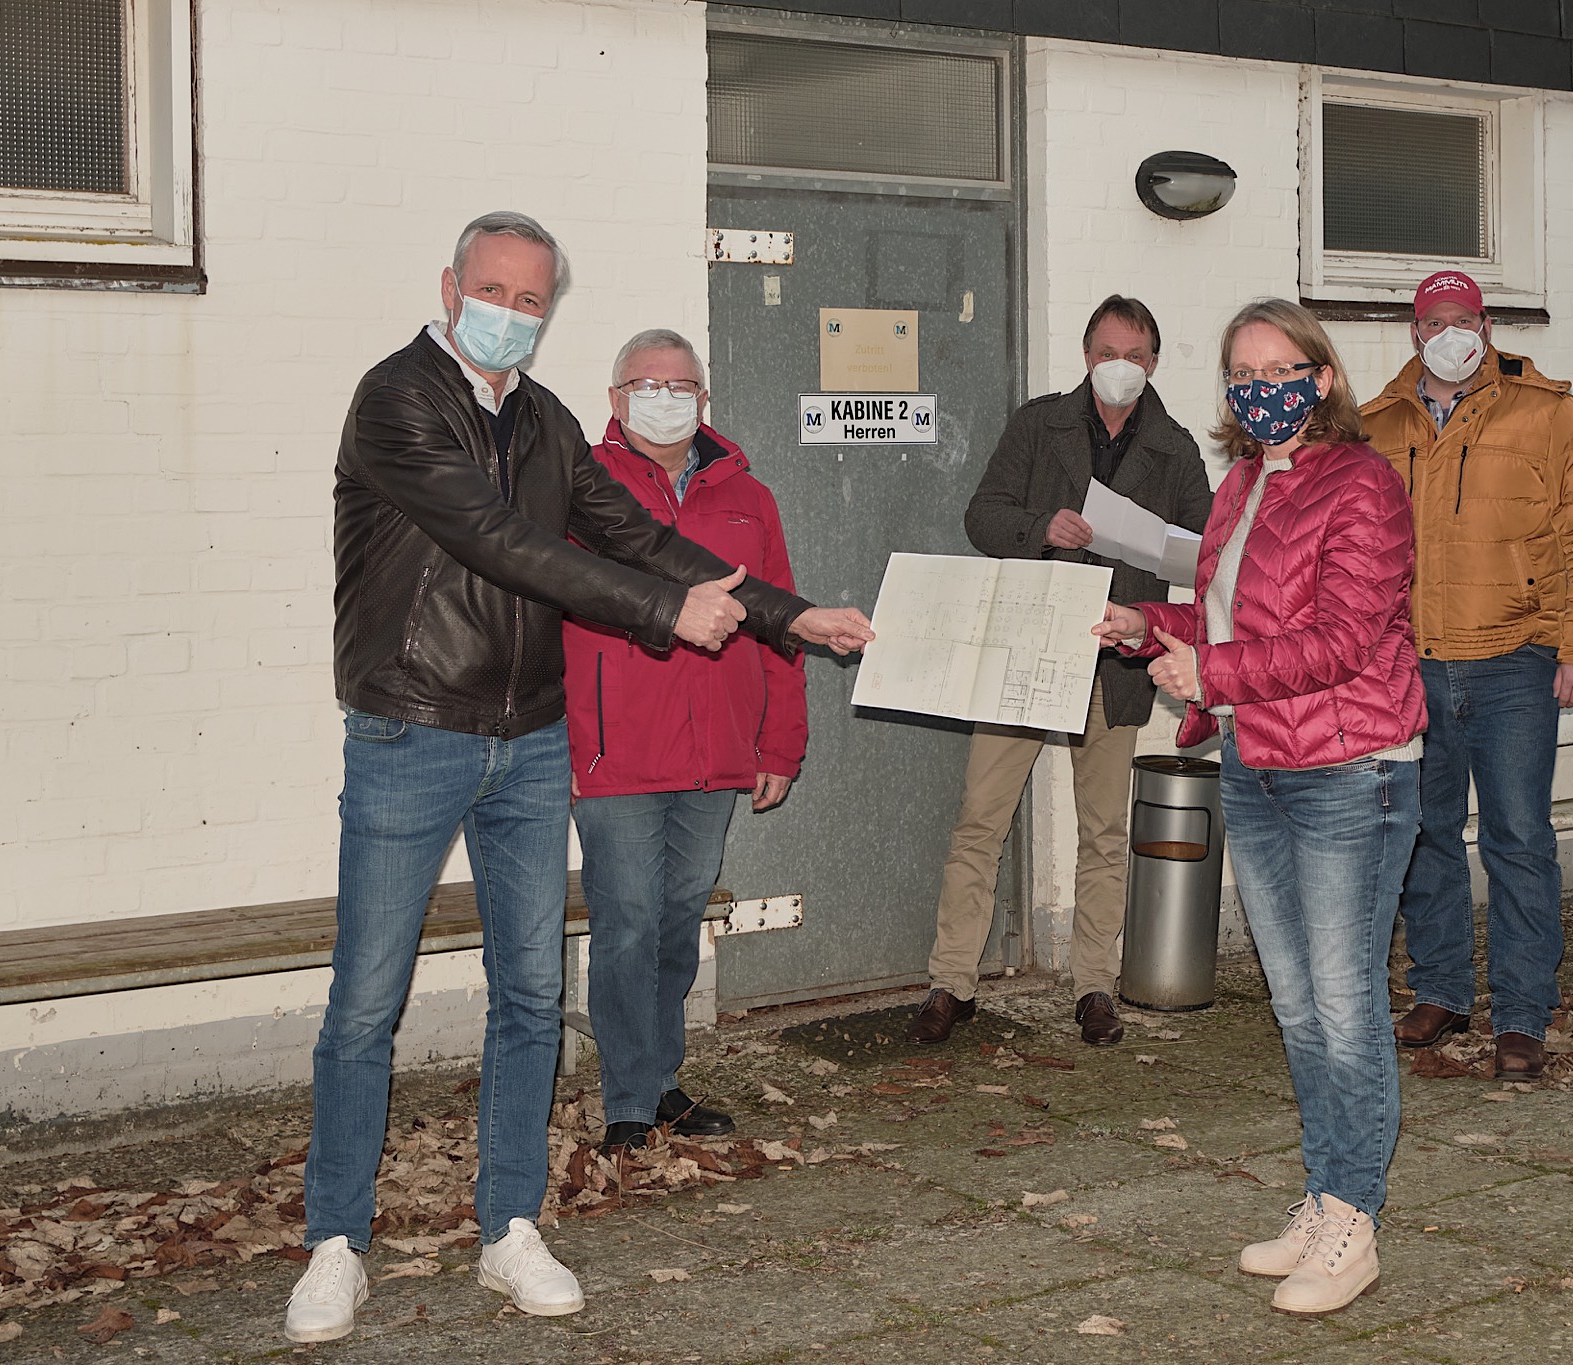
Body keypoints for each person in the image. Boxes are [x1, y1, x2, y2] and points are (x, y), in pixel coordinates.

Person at [291, 212, 872, 1344]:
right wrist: (671, 615)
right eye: (492, 289)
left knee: (527, 997)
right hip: (412, 731)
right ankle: (334, 1241)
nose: (509, 312)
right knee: (366, 999)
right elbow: (502, 542)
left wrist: (785, 615)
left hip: (532, 738)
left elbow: (636, 535)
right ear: (449, 283)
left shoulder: (547, 420)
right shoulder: (397, 399)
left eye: (530, 299)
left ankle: (508, 1224)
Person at [1096, 297, 1424, 1315]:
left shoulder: (1361, 485)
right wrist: (1148, 625)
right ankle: (1324, 1194)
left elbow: (1343, 639)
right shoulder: (1242, 481)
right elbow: (1226, 611)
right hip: (1258, 759)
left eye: (1279, 368)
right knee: (1295, 1005)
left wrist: (1212, 670)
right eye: (1241, 373)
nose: (1258, 387)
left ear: (1320, 379)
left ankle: (1353, 1221)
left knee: (1342, 1006)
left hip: (1348, 770)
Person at [909, 295, 1213, 1048]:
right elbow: (982, 516)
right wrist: (1039, 528)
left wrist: (1152, 550)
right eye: (1110, 352)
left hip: (1115, 653)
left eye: (1138, 355)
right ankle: (953, 980)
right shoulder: (1037, 422)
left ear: (1153, 363)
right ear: (1086, 356)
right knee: (982, 816)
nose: (1123, 367)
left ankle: (1093, 987)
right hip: (1027, 643)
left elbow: (1205, 549)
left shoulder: (1174, 447)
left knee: (1104, 828)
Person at [1359, 270, 1573, 1080]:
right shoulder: (1374, 425)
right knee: (1423, 837)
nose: (1450, 330)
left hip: (1515, 663)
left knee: (1517, 840)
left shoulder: (1547, 412)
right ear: (1413, 334)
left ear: (1486, 326)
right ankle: (1440, 987)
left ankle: (1521, 1013)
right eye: (1434, 319)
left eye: (1464, 317)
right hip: (1414, 667)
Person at [563, 329, 807, 1154]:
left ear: (704, 401)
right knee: (627, 920)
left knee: (674, 921)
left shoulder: (750, 499)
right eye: (646, 382)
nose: (664, 397)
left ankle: (660, 1079)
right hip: (616, 751)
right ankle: (629, 1098)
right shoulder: (580, 491)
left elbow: (782, 623)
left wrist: (781, 743)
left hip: (717, 756)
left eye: (681, 385)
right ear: (615, 398)